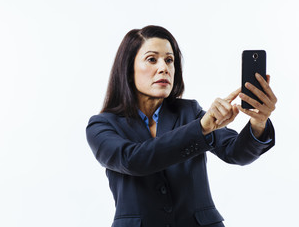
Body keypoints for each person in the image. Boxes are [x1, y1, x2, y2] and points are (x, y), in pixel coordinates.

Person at [86, 25, 277, 227]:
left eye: (169, 60)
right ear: (128, 69)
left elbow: (236, 152)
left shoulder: (190, 112)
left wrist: (258, 122)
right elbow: (133, 160)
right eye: (152, 59)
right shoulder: (101, 125)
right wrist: (200, 129)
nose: (164, 68)